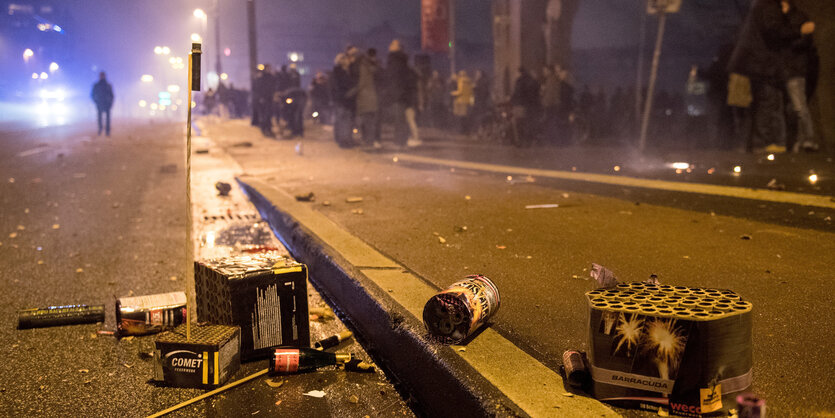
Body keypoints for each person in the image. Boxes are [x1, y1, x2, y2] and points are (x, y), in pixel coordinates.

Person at [728, 0, 814, 152]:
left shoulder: (762, 6)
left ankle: (759, 145)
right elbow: (774, 30)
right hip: (762, 65)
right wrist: (799, 30)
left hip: (761, 65)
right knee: (769, 103)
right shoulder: (769, 6)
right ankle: (768, 145)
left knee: (767, 105)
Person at [782, 0, 818, 153]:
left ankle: (808, 139)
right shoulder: (784, 18)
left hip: (795, 69)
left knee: (799, 106)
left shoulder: (797, 17)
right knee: (792, 108)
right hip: (786, 69)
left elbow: (804, 42)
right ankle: (797, 140)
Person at [386, 40, 421, 148]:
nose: (390, 45)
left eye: (393, 44)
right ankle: (400, 140)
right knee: (401, 119)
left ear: (398, 47)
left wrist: (393, 92)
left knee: (400, 119)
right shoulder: (401, 61)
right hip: (402, 95)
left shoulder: (396, 61)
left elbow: (394, 79)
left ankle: (400, 141)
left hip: (398, 95)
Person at [355, 48, 381, 148]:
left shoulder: (364, 67)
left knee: (367, 121)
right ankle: (371, 141)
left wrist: (354, 92)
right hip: (373, 97)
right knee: (370, 121)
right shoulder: (374, 67)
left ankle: (368, 141)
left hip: (365, 98)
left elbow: (362, 83)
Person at [331, 52, 357, 148]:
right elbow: (338, 86)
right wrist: (346, 94)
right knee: (343, 121)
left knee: (347, 121)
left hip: (347, 100)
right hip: (342, 100)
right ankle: (344, 141)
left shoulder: (347, 71)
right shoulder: (338, 72)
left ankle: (347, 140)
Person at [510, 67, 541, 143]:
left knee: (517, 123)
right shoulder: (530, 81)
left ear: (519, 73)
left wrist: (511, 100)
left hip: (519, 104)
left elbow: (517, 93)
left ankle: (518, 140)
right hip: (527, 105)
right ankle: (527, 140)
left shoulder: (519, 81)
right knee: (525, 122)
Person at [91, 72, 114, 136]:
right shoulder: (96, 85)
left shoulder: (108, 85)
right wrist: (96, 101)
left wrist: (110, 102)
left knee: (107, 118)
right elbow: (92, 95)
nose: (102, 77)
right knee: (99, 118)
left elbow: (112, 95)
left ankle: (107, 131)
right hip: (99, 103)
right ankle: (100, 129)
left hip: (107, 104)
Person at [450, 70, 474, 134]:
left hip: (461, 101)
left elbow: (460, 92)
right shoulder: (470, 81)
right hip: (467, 101)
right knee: (466, 116)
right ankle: (466, 130)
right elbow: (472, 93)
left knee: (461, 117)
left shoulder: (461, 81)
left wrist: (453, 93)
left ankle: (462, 131)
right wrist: (471, 102)